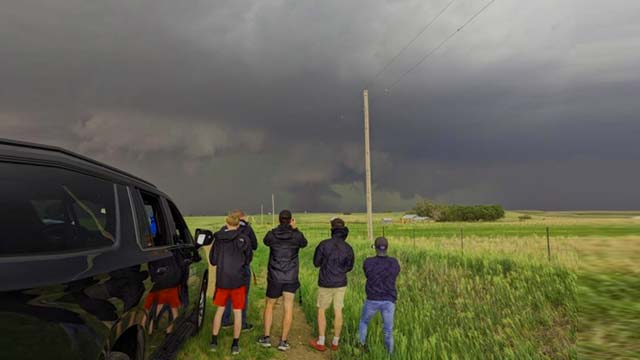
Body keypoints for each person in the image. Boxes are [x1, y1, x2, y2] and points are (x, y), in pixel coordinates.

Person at [257, 210, 308, 351]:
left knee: (269, 305)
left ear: (279, 220)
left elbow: (265, 241)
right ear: (291, 220)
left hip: (274, 276)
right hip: (290, 277)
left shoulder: (272, 234)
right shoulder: (296, 235)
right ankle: (283, 341)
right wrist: (295, 228)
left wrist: (278, 228)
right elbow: (304, 243)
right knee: (288, 306)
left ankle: (266, 338)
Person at [209, 214, 253, 355]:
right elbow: (248, 259)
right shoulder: (244, 239)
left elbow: (213, 260)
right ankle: (235, 345)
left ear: (226, 223)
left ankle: (214, 342)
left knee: (219, 311)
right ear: (238, 224)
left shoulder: (219, 239)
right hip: (238, 281)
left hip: (222, 281)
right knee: (238, 312)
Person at [309, 217, 354, 352]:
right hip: (341, 283)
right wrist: (340, 271)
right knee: (338, 311)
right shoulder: (348, 247)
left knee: (321, 310)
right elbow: (349, 267)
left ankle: (321, 341)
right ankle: (335, 342)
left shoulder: (323, 245)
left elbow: (316, 263)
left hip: (325, 282)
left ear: (332, 229)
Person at [358, 237, 400, 355]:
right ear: (387, 247)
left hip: (372, 299)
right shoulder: (394, 262)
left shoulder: (368, 262)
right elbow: (396, 273)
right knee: (388, 330)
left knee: (364, 322)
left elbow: (367, 274)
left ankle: (361, 346)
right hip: (389, 300)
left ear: (375, 248)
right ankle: (390, 354)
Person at [221, 209, 258, 331]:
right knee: (243, 295)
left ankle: (225, 320)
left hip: (225, 268)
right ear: (242, 217)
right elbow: (255, 245)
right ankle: (241, 323)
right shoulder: (247, 229)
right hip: (242, 267)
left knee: (226, 295)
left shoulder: (223, 229)